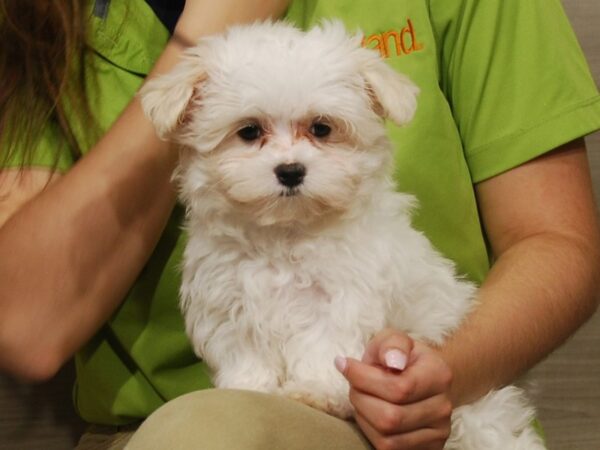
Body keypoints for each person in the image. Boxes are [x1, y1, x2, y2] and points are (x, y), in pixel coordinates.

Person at [1, 0, 599, 449]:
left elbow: (557, 240)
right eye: (252, 134)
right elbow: (21, 325)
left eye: (319, 131)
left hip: (440, 417)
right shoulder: (48, 18)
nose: (288, 161)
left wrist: (448, 372)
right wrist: (206, 28)